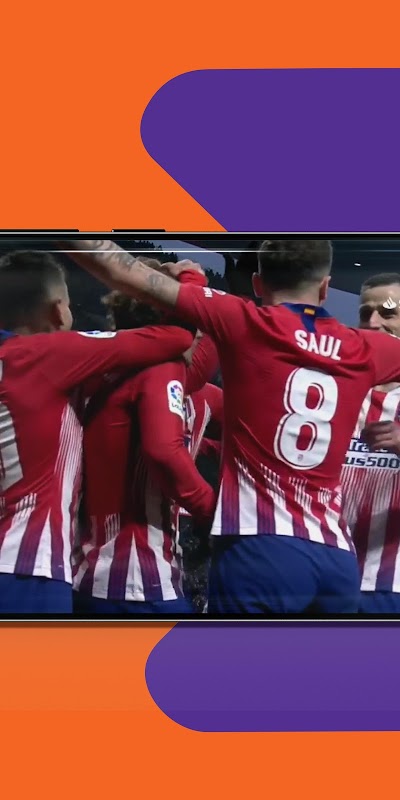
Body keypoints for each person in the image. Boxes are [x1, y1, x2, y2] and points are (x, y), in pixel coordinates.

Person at [64, 238, 400, 615]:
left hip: (261, 548)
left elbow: (118, 268)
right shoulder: (363, 347)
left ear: (257, 283)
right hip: (337, 558)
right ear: (325, 287)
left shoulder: (244, 321)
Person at [0, 250, 194, 614]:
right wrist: (189, 284)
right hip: (24, 568)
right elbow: (175, 338)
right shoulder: (48, 355)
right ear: (59, 312)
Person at [74, 272, 218, 615]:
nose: (200, 337)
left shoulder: (103, 371)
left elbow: (203, 362)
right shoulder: (161, 368)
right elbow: (164, 452)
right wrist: (213, 512)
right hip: (136, 577)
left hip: (92, 568)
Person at [341, 273, 400, 614]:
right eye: (366, 313)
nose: (374, 323)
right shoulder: (330, 391)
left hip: (390, 585)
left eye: (388, 312)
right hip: (324, 576)